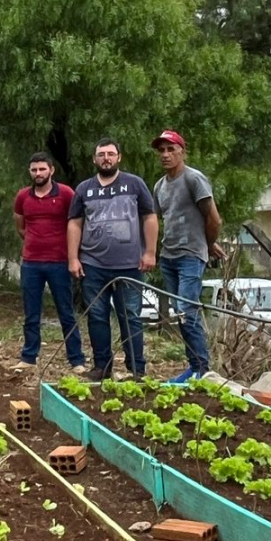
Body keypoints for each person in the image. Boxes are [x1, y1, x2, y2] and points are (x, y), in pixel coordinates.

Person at [67, 138, 159, 382]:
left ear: (119, 157)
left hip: (130, 264)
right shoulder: (84, 189)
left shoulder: (134, 184)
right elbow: (75, 223)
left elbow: (149, 217)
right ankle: (102, 367)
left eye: (110, 154)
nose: (105, 158)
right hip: (93, 265)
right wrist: (73, 258)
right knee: (97, 316)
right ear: (94, 159)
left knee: (130, 316)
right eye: (101, 154)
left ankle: (137, 369)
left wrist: (150, 252)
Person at [152, 130, 226, 383]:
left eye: (171, 149)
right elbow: (164, 220)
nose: (165, 155)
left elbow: (214, 218)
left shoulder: (194, 179)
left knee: (187, 309)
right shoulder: (159, 186)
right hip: (168, 255)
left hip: (191, 255)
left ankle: (202, 368)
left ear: (182, 151)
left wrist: (209, 243)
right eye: (161, 150)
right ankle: (192, 366)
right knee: (178, 312)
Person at [12, 152, 86, 374]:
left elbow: (77, 222)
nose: (38, 173)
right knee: (31, 313)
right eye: (34, 170)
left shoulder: (65, 194)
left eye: (42, 169)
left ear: (51, 170)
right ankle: (28, 357)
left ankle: (77, 360)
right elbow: (20, 226)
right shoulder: (23, 196)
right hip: (31, 263)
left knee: (66, 312)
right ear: (30, 172)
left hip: (59, 262)